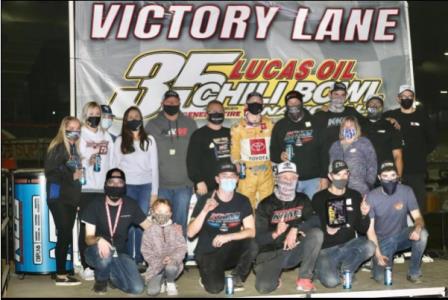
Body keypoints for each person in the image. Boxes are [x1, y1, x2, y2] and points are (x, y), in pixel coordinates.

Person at [187, 161, 258, 294]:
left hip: (230, 249)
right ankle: (207, 276)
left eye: (232, 176)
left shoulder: (242, 200)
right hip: (208, 252)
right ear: (217, 179)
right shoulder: (205, 199)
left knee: (253, 244)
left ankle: (237, 276)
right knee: (215, 288)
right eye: (225, 176)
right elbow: (190, 233)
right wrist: (204, 211)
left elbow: (251, 231)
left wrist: (227, 236)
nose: (229, 179)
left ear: (237, 179)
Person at [254, 161, 323, 294]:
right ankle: (271, 273)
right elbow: (258, 239)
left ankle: (304, 278)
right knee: (264, 287)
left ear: (297, 179)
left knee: (316, 234)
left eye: (292, 177)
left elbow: (316, 219)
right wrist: (276, 233)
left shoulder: (302, 199)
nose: (289, 181)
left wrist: (296, 228)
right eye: (285, 177)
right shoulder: (265, 204)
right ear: (277, 178)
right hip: (271, 253)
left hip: (293, 250)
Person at [82, 168, 151, 295]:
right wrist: (98, 239)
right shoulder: (94, 205)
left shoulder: (131, 205)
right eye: (111, 182)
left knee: (137, 288)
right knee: (105, 255)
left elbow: (150, 228)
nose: (115, 185)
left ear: (124, 185)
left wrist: (167, 229)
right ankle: (101, 281)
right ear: (105, 185)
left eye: (119, 182)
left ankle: (110, 274)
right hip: (96, 252)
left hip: (120, 253)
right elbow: (88, 238)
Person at [312, 160, 376, 288]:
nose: (342, 178)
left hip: (349, 245)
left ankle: (346, 270)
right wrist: (327, 230)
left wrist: (363, 214)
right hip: (326, 249)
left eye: (345, 174)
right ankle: (319, 270)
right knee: (332, 282)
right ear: (330, 176)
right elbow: (312, 227)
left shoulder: (355, 195)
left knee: (370, 246)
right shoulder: (319, 198)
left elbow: (362, 229)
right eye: (338, 174)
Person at [366, 161, 429, 283]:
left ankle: (414, 272)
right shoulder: (372, 196)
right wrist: (378, 254)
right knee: (381, 278)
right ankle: (376, 262)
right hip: (382, 241)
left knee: (423, 234)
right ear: (379, 178)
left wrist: (417, 228)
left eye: (392, 175)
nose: (389, 180)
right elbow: (370, 230)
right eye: (385, 176)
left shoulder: (406, 191)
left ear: (397, 176)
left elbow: (418, 218)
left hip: (401, 237)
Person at [146, 90, 197, 233]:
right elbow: (146, 153)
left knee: (179, 225)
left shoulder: (190, 123)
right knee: (160, 225)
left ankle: (179, 255)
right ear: (162, 104)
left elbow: (195, 153)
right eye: (168, 102)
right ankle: (159, 254)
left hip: (184, 185)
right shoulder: (152, 125)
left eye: (174, 102)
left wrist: (195, 180)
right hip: (161, 185)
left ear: (179, 103)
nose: (172, 104)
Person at [113, 106, 158, 269]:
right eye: (130, 117)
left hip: (146, 186)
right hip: (127, 187)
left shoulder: (150, 140)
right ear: (125, 121)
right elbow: (114, 167)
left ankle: (139, 258)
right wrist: (115, 190)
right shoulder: (119, 141)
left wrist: (154, 192)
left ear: (141, 119)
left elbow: (155, 168)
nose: (134, 119)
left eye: (137, 116)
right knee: (127, 223)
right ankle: (128, 258)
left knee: (142, 223)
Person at [383, 85, 437, 212]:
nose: (407, 99)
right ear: (398, 98)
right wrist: (387, 119)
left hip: (416, 170)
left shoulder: (422, 116)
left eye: (409, 96)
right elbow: (373, 120)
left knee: (418, 206)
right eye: (404, 96)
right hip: (395, 171)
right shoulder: (392, 114)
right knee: (396, 206)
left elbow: (433, 140)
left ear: (413, 98)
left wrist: (421, 152)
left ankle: (419, 230)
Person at [78, 101, 115, 280]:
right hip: (85, 188)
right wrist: (86, 162)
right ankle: (85, 265)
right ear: (85, 114)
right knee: (86, 227)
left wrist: (113, 185)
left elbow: (114, 161)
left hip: (103, 188)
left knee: (102, 227)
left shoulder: (106, 136)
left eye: (97, 113)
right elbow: (74, 161)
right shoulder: (80, 135)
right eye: (91, 112)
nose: (95, 116)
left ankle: (100, 260)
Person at [44, 116, 83, 285]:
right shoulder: (59, 147)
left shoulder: (74, 148)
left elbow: (72, 174)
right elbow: (51, 172)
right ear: (64, 128)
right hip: (58, 197)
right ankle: (60, 274)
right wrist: (71, 174)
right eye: (71, 127)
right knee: (65, 234)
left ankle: (61, 271)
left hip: (70, 198)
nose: (75, 130)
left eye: (77, 127)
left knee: (65, 235)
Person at [270, 90, 327, 199]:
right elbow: (273, 152)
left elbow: (324, 152)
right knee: (291, 213)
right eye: (290, 103)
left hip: (313, 180)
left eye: (296, 102)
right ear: (286, 105)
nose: (293, 105)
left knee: (312, 212)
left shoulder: (315, 122)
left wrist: (324, 178)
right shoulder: (280, 125)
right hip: (289, 179)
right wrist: (279, 156)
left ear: (301, 103)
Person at [314, 82, 366, 188]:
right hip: (326, 162)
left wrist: (388, 117)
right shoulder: (320, 114)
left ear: (346, 96)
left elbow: (369, 124)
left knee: (350, 193)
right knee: (325, 195)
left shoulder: (351, 112)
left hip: (348, 162)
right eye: (336, 94)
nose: (339, 97)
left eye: (342, 94)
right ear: (330, 94)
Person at [231, 91, 274, 208]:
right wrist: (236, 164)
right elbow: (234, 151)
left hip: (266, 173)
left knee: (267, 207)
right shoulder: (238, 127)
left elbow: (276, 146)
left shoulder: (270, 124)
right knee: (246, 207)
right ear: (246, 105)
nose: (256, 104)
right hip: (247, 175)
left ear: (263, 105)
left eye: (259, 102)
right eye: (252, 102)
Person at [141, 199, 187, 296]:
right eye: (160, 211)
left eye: (166, 212)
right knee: (152, 291)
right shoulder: (148, 232)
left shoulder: (176, 229)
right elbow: (146, 251)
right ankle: (161, 280)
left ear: (171, 214)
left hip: (172, 263)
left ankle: (170, 282)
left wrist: (172, 257)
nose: (163, 215)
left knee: (171, 267)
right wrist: (159, 261)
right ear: (153, 212)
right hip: (156, 267)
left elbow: (182, 247)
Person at [187, 100, 231, 195]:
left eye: (220, 111)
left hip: (228, 185)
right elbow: (191, 161)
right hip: (206, 187)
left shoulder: (230, 133)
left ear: (224, 113)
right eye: (213, 111)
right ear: (207, 114)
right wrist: (198, 181)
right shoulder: (198, 134)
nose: (217, 113)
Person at [329, 116, 377, 196]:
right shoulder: (335, 145)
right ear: (342, 128)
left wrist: (368, 183)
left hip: (360, 189)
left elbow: (372, 164)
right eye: (345, 126)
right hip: (339, 187)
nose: (348, 128)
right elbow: (331, 166)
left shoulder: (364, 142)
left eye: (351, 125)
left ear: (356, 128)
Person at [364, 94, 403, 181]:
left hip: (387, 174)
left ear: (382, 107)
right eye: (371, 103)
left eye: (378, 103)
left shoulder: (391, 126)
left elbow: (397, 155)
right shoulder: (359, 125)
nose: (374, 105)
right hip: (364, 175)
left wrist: (398, 178)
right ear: (366, 107)